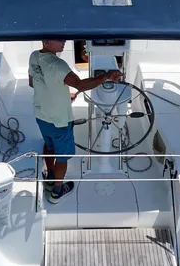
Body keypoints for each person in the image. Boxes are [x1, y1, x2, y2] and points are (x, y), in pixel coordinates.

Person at [29, 40, 122, 203]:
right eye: (59, 39)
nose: (64, 41)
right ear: (47, 42)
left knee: (49, 145)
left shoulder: (34, 56)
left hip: (41, 115)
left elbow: (34, 83)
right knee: (63, 158)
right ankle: (57, 191)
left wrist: (63, 96)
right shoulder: (59, 65)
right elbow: (80, 85)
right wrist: (106, 76)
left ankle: (50, 176)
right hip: (59, 121)